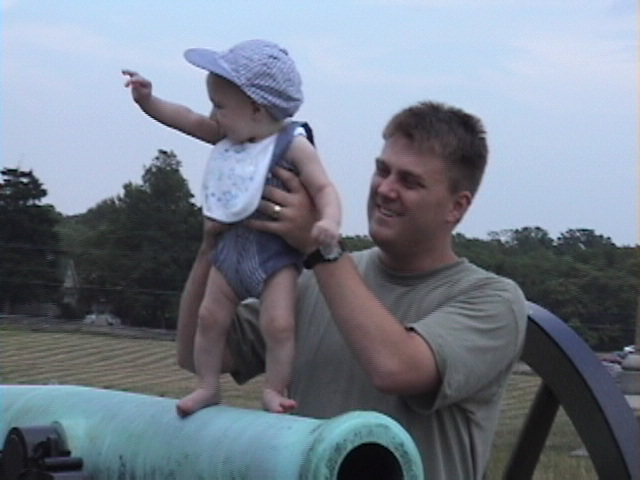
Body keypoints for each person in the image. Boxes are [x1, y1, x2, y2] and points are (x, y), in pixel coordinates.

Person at [177, 100, 528, 479]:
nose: (386, 189)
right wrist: (212, 248)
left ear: (456, 207)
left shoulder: (493, 301)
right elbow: (195, 353)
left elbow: (394, 369)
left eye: (410, 181)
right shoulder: (311, 279)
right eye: (382, 170)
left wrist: (318, 246)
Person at [123, 39, 342, 416]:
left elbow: (324, 187)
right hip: (229, 251)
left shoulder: (293, 144)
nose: (213, 114)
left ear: (256, 109)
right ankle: (208, 386)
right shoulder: (229, 136)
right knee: (209, 318)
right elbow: (186, 119)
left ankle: (274, 389)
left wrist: (328, 221)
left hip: (274, 257)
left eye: (220, 106)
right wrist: (148, 101)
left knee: (278, 325)